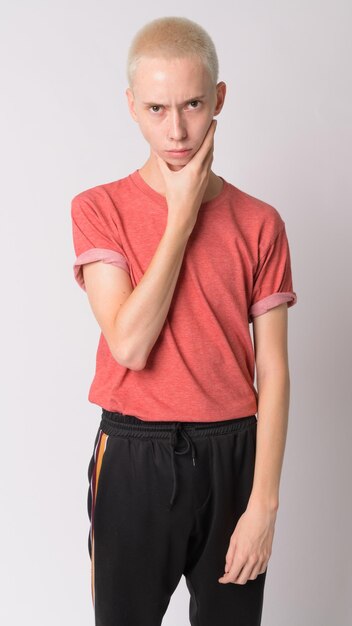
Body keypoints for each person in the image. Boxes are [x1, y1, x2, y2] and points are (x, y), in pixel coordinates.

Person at [70, 15, 297, 626]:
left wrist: (263, 507)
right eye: (156, 108)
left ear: (219, 98)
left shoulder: (260, 223)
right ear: (131, 106)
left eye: (194, 104)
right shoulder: (100, 210)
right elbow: (129, 344)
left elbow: (273, 371)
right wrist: (181, 214)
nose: (176, 130)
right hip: (133, 455)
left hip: (233, 455)